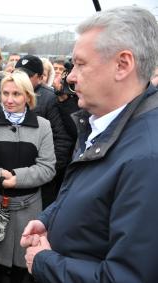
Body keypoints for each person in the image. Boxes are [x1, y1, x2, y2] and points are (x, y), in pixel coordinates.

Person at [21, 6, 158, 283]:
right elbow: (88, 197)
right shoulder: (100, 123)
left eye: (81, 64)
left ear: (122, 65)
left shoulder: (147, 158)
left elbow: (126, 277)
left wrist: (45, 262)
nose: (70, 77)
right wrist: (50, 219)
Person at [0, 71, 56, 283]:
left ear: (28, 97)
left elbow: (48, 167)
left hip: (29, 208)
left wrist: (16, 178)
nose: (9, 99)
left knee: (24, 267)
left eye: (16, 94)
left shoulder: (44, 126)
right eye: (5, 93)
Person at [15, 55, 72, 209]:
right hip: (14, 177)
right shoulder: (9, 95)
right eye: (17, 73)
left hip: (41, 181)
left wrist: (46, 172)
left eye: (26, 75)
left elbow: (62, 140)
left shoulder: (49, 98)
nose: (20, 78)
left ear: (40, 78)